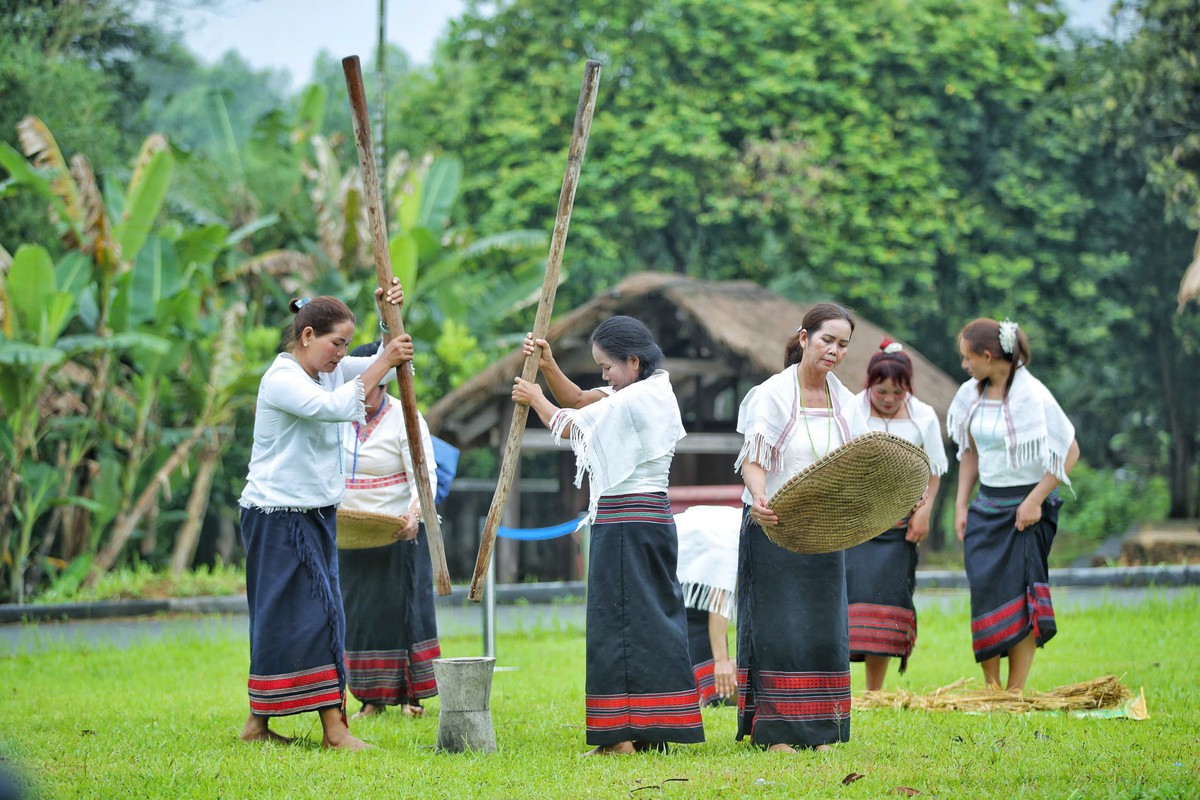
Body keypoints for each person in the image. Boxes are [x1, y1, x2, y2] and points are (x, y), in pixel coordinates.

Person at [512, 317, 703, 755]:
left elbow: (569, 423)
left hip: (625, 525)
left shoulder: (634, 401)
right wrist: (547, 364)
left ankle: (618, 738)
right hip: (650, 521)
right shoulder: (652, 389)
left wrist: (535, 397)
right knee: (652, 621)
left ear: (632, 361)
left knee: (615, 626)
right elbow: (578, 398)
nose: (603, 376)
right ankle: (653, 730)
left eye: (607, 367)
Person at [237, 283, 411, 751]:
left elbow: (380, 367)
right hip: (277, 515)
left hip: (308, 514)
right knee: (317, 615)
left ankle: (258, 725)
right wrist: (384, 359)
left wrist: (386, 314)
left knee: (292, 617)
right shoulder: (283, 378)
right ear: (307, 334)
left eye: (347, 346)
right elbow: (337, 407)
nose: (342, 354)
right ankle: (335, 730)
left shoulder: (329, 371)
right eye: (337, 343)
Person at [735, 302, 870, 752]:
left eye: (843, 344)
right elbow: (755, 460)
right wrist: (759, 497)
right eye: (827, 340)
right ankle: (778, 735)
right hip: (772, 525)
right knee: (779, 629)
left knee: (824, 630)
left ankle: (824, 730)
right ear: (804, 337)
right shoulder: (771, 394)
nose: (834, 350)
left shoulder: (848, 403)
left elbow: (858, 465)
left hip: (824, 531)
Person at [947, 318, 1079, 692]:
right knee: (985, 591)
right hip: (986, 507)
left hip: (1027, 511)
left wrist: (1035, 500)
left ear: (987, 356)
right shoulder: (969, 395)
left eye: (967, 357)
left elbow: (1070, 451)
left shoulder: (1034, 394)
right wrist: (961, 506)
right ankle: (992, 688)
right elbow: (969, 452)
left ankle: (1016, 691)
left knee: (1022, 597)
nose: (964, 365)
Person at [338, 341, 441, 720]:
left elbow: (423, 472)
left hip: (398, 531)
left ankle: (412, 697)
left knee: (403, 612)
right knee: (359, 616)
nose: (364, 398)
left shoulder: (405, 415)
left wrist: (414, 515)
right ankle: (370, 697)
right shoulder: (337, 414)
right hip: (348, 533)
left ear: (385, 385)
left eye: (371, 388)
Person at [846, 338, 948, 690]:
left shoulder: (924, 417)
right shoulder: (851, 411)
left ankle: (875, 692)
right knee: (848, 602)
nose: (888, 398)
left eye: (896, 392)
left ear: (908, 389)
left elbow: (934, 470)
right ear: (869, 384)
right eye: (881, 390)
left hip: (900, 529)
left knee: (887, 602)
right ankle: (840, 684)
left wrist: (925, 512)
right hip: (855, 526)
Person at [674, 504, 741, 707]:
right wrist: (721, 662)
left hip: (689, 590)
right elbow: (718, 603)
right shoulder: (729, 543)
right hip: (676, 577)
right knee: (716, 689)